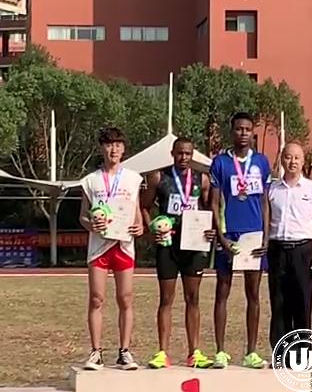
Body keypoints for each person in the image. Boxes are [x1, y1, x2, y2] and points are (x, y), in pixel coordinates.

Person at [141, 137, 216, 369]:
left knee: (193, 298)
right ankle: (162, 352)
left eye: (188, 153)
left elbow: (209, 208)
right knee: (166, 299)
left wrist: (212, 229)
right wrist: (151, 230)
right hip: (168, 245)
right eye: (180, 153)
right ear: (172, 153)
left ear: (192, 154)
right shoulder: (158, 177)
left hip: (193, 245)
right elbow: (144, 206)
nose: (184, 157)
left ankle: (194, 352)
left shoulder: (202, 179)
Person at [209, 112, 271, 369]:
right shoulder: (220, 162)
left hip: (254, 235)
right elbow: (213, 202)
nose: (243, 133)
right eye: (238, 129)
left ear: (252, 132)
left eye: (247, 129)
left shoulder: (262, 162)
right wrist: (221, 237)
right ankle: (220, 352)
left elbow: (265, 202)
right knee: (222, 292)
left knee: (253, 294)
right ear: (231, 131)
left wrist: (266, 236)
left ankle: (251, 352)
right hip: (229, 234)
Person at [79, 127, 144, 371]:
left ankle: (124, 351)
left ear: (124, 148)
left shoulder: (133, 179)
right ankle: (96, 352)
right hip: (99, 246)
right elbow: (82, 216)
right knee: (97, 298)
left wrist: (140, 226)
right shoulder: (90, 180)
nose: (113, 149)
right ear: (101, 148)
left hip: (123, 245)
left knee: (125, 298)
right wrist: (90, 224)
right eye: (108, 145)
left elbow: (136, 211)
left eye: (117, 144)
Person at [266, 141, 312, 351]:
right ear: (282, 160)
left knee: (302, 303)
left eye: (296, 158)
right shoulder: (272, 189)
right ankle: (280, 353)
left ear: (303, 161)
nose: (292, 161)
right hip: (277, 249)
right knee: (278, 303)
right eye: (288, 157)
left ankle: (302, 354)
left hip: (303, 250)